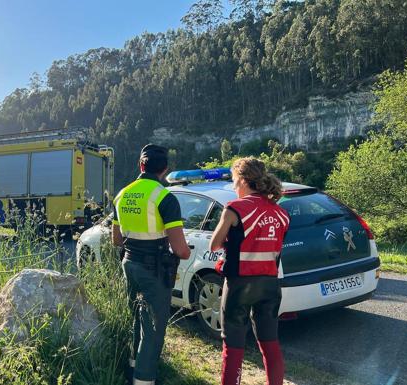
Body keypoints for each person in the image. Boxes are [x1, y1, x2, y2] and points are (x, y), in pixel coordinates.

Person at [112, 144, 191, 385]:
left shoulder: (122, 193)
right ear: (165, 170)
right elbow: (180, 249)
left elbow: (116, 239)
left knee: (136, 318)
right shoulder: (165, 198)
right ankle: (144, 380)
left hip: (129, 263)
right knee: (154, 329)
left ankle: (133, 367)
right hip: (154, 269)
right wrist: (186, 253)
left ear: (140, 166)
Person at [209, 157, 290, 385]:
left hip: (240, 284)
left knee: (233, 346)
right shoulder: (281, 213)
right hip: (271, 285)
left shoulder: (235, 208)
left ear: (244, 180)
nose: (234, 187)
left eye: (234, 181)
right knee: (270, 343)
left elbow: (214, 244)